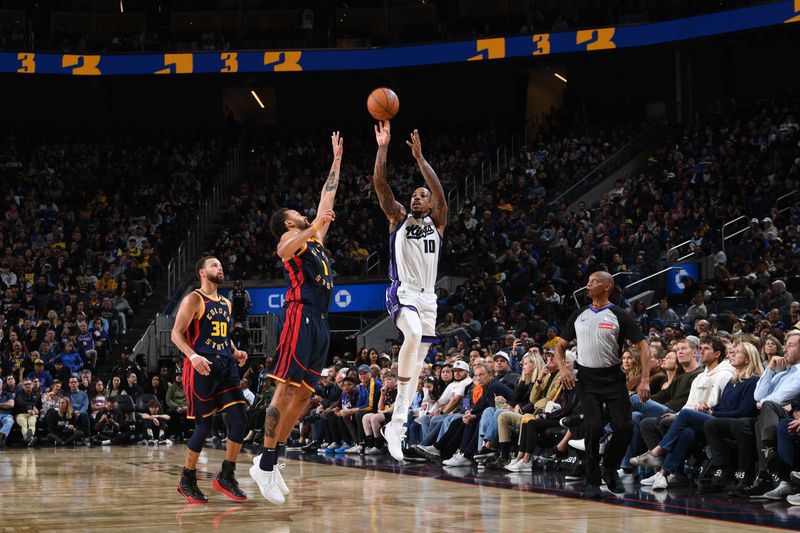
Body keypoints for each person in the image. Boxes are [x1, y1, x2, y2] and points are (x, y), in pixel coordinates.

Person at [251, 131, 343, 505]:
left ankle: (271, 459)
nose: (303, 215)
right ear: (287, 223)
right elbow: (290, 243)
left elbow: (327, 198)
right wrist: (313, 224)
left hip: (321, 319)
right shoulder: (290, 242)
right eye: (297, 215)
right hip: (299, 315)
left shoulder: (313, 238)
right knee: (285, 389)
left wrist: (336, 161)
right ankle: (265, 463)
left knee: (304, 396)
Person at [372, 120, 449, 462]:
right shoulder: (399, 218)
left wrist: (420, 159)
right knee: (413, 335)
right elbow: (381, 186)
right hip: (403, 292)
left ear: (430, 205)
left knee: (417, 369)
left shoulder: (439, 222)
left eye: (422, 195)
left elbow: (441, 194)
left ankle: (397, 425)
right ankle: (397, 416)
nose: (416, 197)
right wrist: (383, 148)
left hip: (429, 297)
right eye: (413, 194)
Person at [555, 271, 650, 498]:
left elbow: (643, 346)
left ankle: (609, 466)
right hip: (586, 379)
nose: (588, 285)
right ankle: (592, 479)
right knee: (593, 426)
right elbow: (559, 346)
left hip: (613, 378)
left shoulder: (619, 314)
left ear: (607, 286)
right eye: (587, 281)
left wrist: (645, 379)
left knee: (625, 427)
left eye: (594, 282)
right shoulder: (579, 314)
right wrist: (563, 368)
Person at [171, 256, 249, 503]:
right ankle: (187, 478)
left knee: (240, 419)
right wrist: (192, 356)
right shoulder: (194, 298)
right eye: (214, 265)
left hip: (226, 367)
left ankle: (227, 474)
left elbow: (223, 335)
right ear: (202, 272)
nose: (220, 268)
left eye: (220, 265)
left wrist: (235, 350)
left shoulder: (226, 302)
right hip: (201, 367)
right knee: (203, 427)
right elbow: (176, 334)